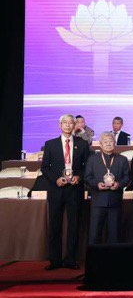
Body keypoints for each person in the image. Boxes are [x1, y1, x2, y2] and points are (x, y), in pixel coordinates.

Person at [41, 114, 90, 270]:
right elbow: (45, 168)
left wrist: (79, 177)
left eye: (71, 123)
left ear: (74, 125)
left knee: (74, 225)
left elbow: (87, 166)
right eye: (65, 123)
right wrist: (56, 179)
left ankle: (70, 259)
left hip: (75, 190)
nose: (68, 125)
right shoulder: (50, 144)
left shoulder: (82, 144)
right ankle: (55, 260)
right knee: (55, 225)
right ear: (60, 125)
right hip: (56, 189)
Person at [84, 132, 130, 245]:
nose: (108, 144)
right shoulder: (92, 159)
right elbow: (87, 177)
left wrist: (118, 184)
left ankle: (112, 257)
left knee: (114, 236)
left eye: (111, 141)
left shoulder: (122, 159)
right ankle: (94, 257)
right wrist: (97, 184)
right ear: (100, 144)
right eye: (105, 142)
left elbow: (127, 177)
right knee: (94, 235)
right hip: (98, 201)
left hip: (115, 201)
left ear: (115, 143)